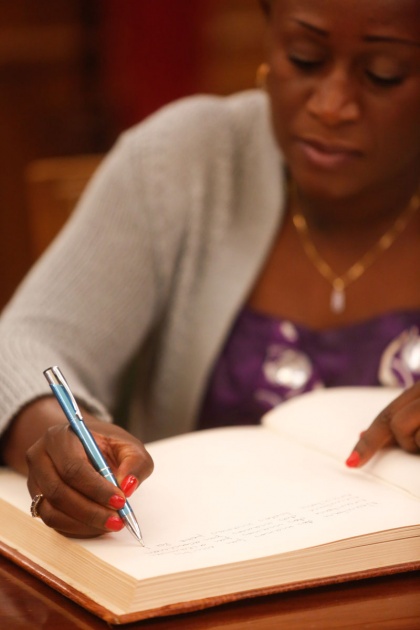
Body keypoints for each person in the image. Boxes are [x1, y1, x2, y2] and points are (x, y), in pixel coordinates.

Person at [0, 0, 419, 539]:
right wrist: (62, 434)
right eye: (305, 58)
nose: (332, 105)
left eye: (383, 74)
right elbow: (20, 343)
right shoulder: (185, 161)